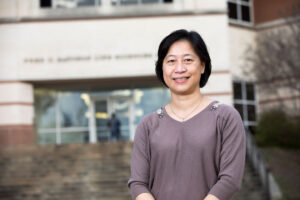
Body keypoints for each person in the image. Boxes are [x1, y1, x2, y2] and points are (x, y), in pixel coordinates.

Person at [127, 29, 246, 200]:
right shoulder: (148, 125)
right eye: (171, 61)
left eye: (188, 60)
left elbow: (230, 179)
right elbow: (138, 183)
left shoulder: (225, 117)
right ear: (162, 68)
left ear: (203, 65)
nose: (180, 68)